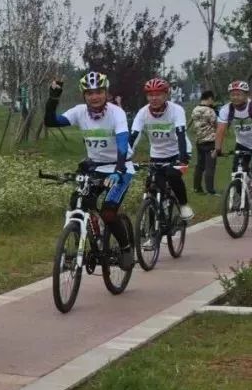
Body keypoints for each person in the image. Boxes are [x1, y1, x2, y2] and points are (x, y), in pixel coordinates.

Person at [43, 71, 136, 271]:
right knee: (78, 201)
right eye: (89, 93)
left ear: (106, 93)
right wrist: (53, 97)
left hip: (120, 166)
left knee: (109, 212)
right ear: (84, 95)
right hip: (95, 166)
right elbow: (50, 121)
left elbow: (122, 144)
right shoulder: (79, 112)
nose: (94, 96)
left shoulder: (116, 113)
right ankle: (83, 242)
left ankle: (126, 247)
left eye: (99, 92)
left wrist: (118, 170)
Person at [129, 77, 194, 220]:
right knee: (152, 185)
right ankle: (156, 221)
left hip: (179, 151)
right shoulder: (143, 112)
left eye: (158, 94)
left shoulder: (176, 110)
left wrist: (182, 159)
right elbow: (134, 136)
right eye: (150, 95)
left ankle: (183, 205)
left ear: (166, 95)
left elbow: (181, 134)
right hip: (157, 154)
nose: (154, 98)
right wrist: (124, 157)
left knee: (172, 175)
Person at [214, 80, 252, 178]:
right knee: (237, 171)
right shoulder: (226, 109)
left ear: (246, 95)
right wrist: (217, 148)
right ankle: (239, 189)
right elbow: (220, 130)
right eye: (232, 95)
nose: (235, 97)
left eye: (239, 94)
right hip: (242, 144)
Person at [190, 90, 218, 195]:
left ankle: (197, 188)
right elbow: (216, 125)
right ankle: (210, 190)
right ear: (209, 98)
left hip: (199, 141)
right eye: (212, 100)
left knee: (199, 166)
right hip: (210, 141)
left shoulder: (195, 110)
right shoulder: (210, 111)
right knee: (210, 166)